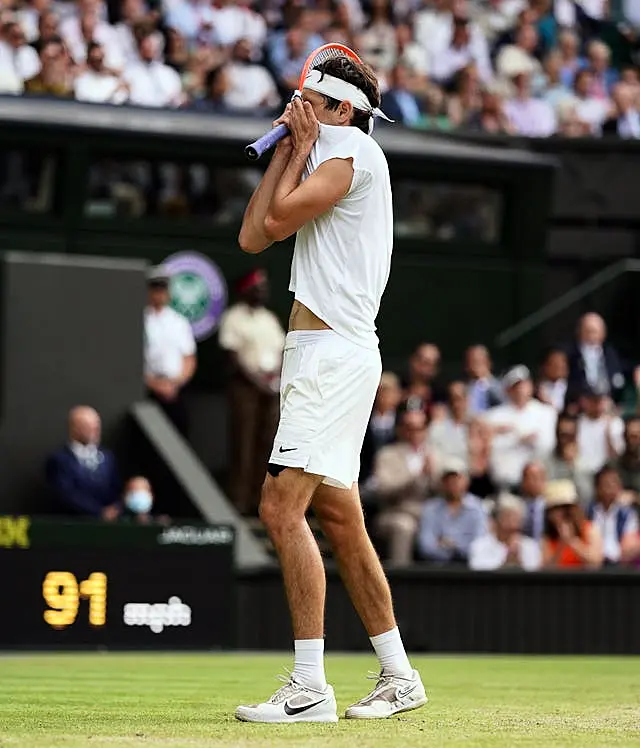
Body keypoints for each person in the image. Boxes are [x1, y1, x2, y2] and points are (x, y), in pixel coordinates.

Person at [235, 55, 426, 722]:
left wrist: (300, 144)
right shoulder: (326, 146)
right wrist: (292, 147)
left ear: (342, 109)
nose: (301, 108)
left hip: (331, 357)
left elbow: (277, 220)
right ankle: (399, 675)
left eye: (313, 101)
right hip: (325, 356)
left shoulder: (351, 150)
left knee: (280, 508)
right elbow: (253, 235)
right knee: (340, 518)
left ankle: (310, 684)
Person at [218, 268, 285, 516]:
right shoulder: (233, 318)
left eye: (265, 286)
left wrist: (274, 379)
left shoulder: (269, 319)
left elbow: (281, 351)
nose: (263, 291)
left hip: (270, 389)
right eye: (258, 286)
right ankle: (238, 500)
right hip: (245, 389)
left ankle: (260, 499)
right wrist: (259, 381)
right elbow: (233, 357)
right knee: (243, 444)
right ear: (246, 289)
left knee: (266, 443)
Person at [372, 408, 432, 566]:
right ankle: (401, 578)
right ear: (401, 429)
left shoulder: (433, 454)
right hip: (395, 512)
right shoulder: (387, 455)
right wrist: (415, 477)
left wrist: (434, 475)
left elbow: (448, 488)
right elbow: (384, 490)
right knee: (404, 525)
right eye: (409, 427)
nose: (414, 433)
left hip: (429, 514)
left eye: (419, 428)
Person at [144, 266, 197, 438]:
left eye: (163, 289)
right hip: (148, 390)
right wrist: (154, 384)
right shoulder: (141, 319)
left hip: (175, 390)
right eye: (155, 289)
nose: (159, 294)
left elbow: (189, 358)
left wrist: (174, 384)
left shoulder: (179, 322)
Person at [45, 406, 122, 519]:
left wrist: (115, 509)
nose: (95, 430)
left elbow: (116, 487)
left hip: (107, 525)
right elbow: (66, 494)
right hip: (73, 524)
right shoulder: (59, 460)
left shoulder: (107, 457)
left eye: (96, 425)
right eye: (88, 425)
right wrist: (98, 512)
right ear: (74, 428)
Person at [417, 457, 486, 564]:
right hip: (436, 571)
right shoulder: (430, 508)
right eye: (448, 479)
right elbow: (426, 546)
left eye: (457, 478)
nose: (453, 483)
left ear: (466, 481)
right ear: (442, 483)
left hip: (470, 571)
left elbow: (479, 545)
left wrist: (447, 545)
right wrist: (458, 547)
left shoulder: (477, 508)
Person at [469, 493, 542, 571]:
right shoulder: (479, 545)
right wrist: (506, 564)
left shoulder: (530, 546)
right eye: (508, 517)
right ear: (497, 519)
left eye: (517, 519)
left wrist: (519, 562)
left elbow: (534, 576)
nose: (513, 524)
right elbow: (478, 575)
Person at [541, 479, 603, 569]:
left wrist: (572, 541)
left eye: (566, 508)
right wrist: (561, 546)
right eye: (555, 509)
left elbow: (596, 562)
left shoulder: (589, 529)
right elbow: (545, 570)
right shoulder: (547, 538)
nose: (561, 513)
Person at [586, 465, 638, 566]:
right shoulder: (588, 511)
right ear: (597, 487)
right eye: (606, 484)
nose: (611, 487)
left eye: (615, 483)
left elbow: (629, 541)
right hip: (594, 563)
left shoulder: (627, 513)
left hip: (619, 562)